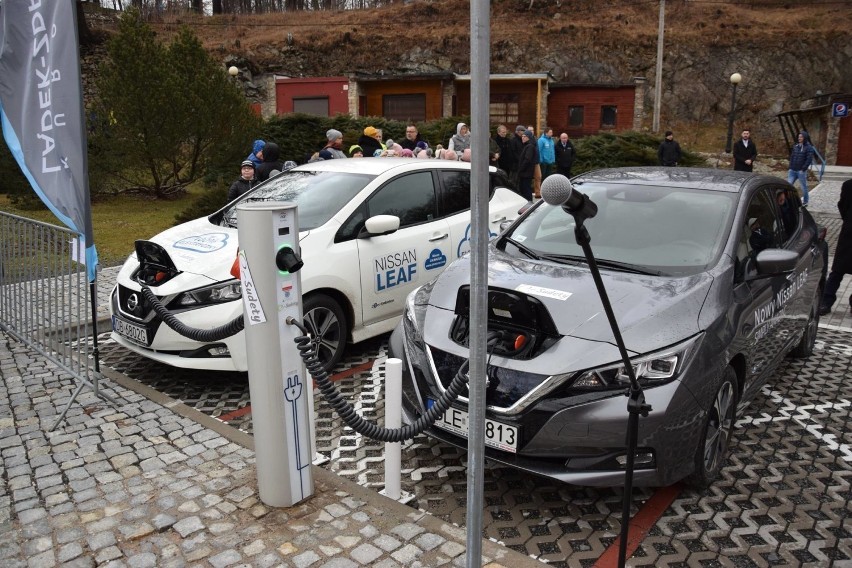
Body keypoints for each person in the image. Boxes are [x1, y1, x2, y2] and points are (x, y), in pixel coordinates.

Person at [819, 179, 852, 315]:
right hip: (849, 234)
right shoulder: (848, 185)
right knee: (838, 270)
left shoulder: (848, 184)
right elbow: (843, 206)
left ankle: (827, 302)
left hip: (849, 230)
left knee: (837, 271)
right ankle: (826, 300)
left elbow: (842, 207)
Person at [788, 132, 815, 206]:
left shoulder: (809, 148)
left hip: (801, 171)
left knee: (803, 187)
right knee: (788, 185)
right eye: (799, 137)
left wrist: (803, 169)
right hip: (792, 170)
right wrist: (790, 167)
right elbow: (792, 157)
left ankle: (805, 201)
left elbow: (809, 159)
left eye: (801, 137)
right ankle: (788, 200)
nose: (799, 138)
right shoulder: (796, 146)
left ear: (805, 138)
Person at [517, 129, 537, 202]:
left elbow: (527, 159)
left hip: (526, 173)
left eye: (525, 136)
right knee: (524, 189)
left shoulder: (530, 146)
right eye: (522, 136)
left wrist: (521, 169)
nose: (523, 137)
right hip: (525, 173)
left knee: (526, 189)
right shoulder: (527, 146)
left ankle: (529, 204)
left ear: (529, 137)